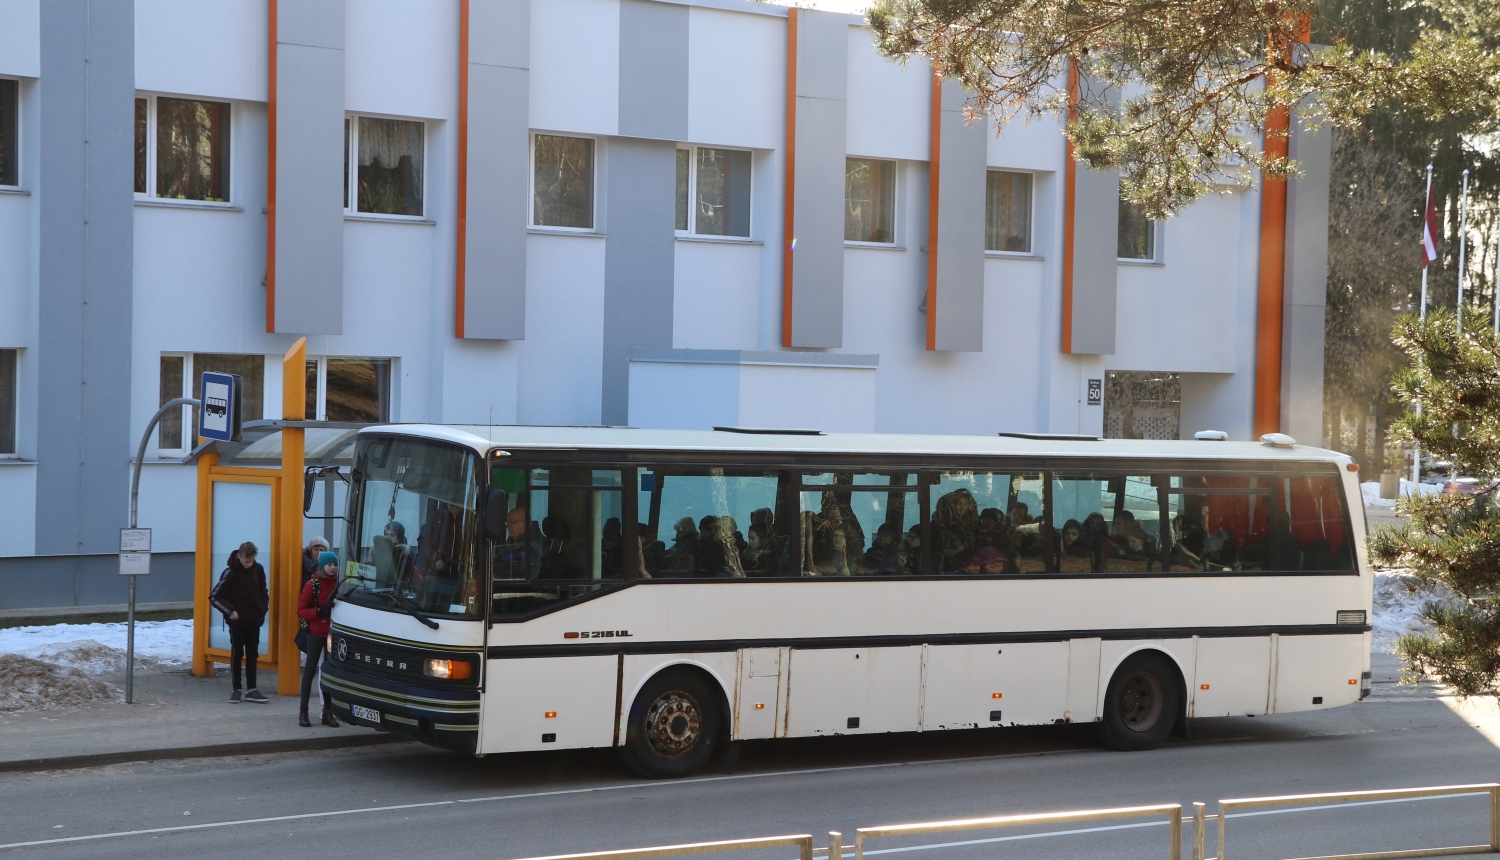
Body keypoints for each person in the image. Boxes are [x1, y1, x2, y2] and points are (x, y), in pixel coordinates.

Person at [209, 542, 270, 704]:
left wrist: (263, 608)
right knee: (237, 654)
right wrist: (230, 611)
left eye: (252, 561)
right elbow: (215, 597)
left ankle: (252, 689)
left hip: (254, 620)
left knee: (253, 654)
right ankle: (236, 689)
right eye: (246, 561)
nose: (249, 564)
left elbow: (263, 591)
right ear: (239, 556)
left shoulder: (258, 569)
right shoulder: (230, 573)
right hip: (237, 621)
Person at [297, 551, 341, 728]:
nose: (333, 568)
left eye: (335, 564)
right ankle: (303, 712)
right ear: (322, 566)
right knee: (309, 671)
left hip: (333, 634)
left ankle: (327, 712)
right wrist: (319, 612)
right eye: (330, 564)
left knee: (328, 673)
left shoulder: (339, 584)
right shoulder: (312, 585)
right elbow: (301, 611)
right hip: (316, 633)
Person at [492, 505, 540, 579]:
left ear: (525, 524)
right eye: (507, 522)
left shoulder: (534, 543)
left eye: (512, 522)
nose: (508, 526)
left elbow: (517, 571)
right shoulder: (512, 541)